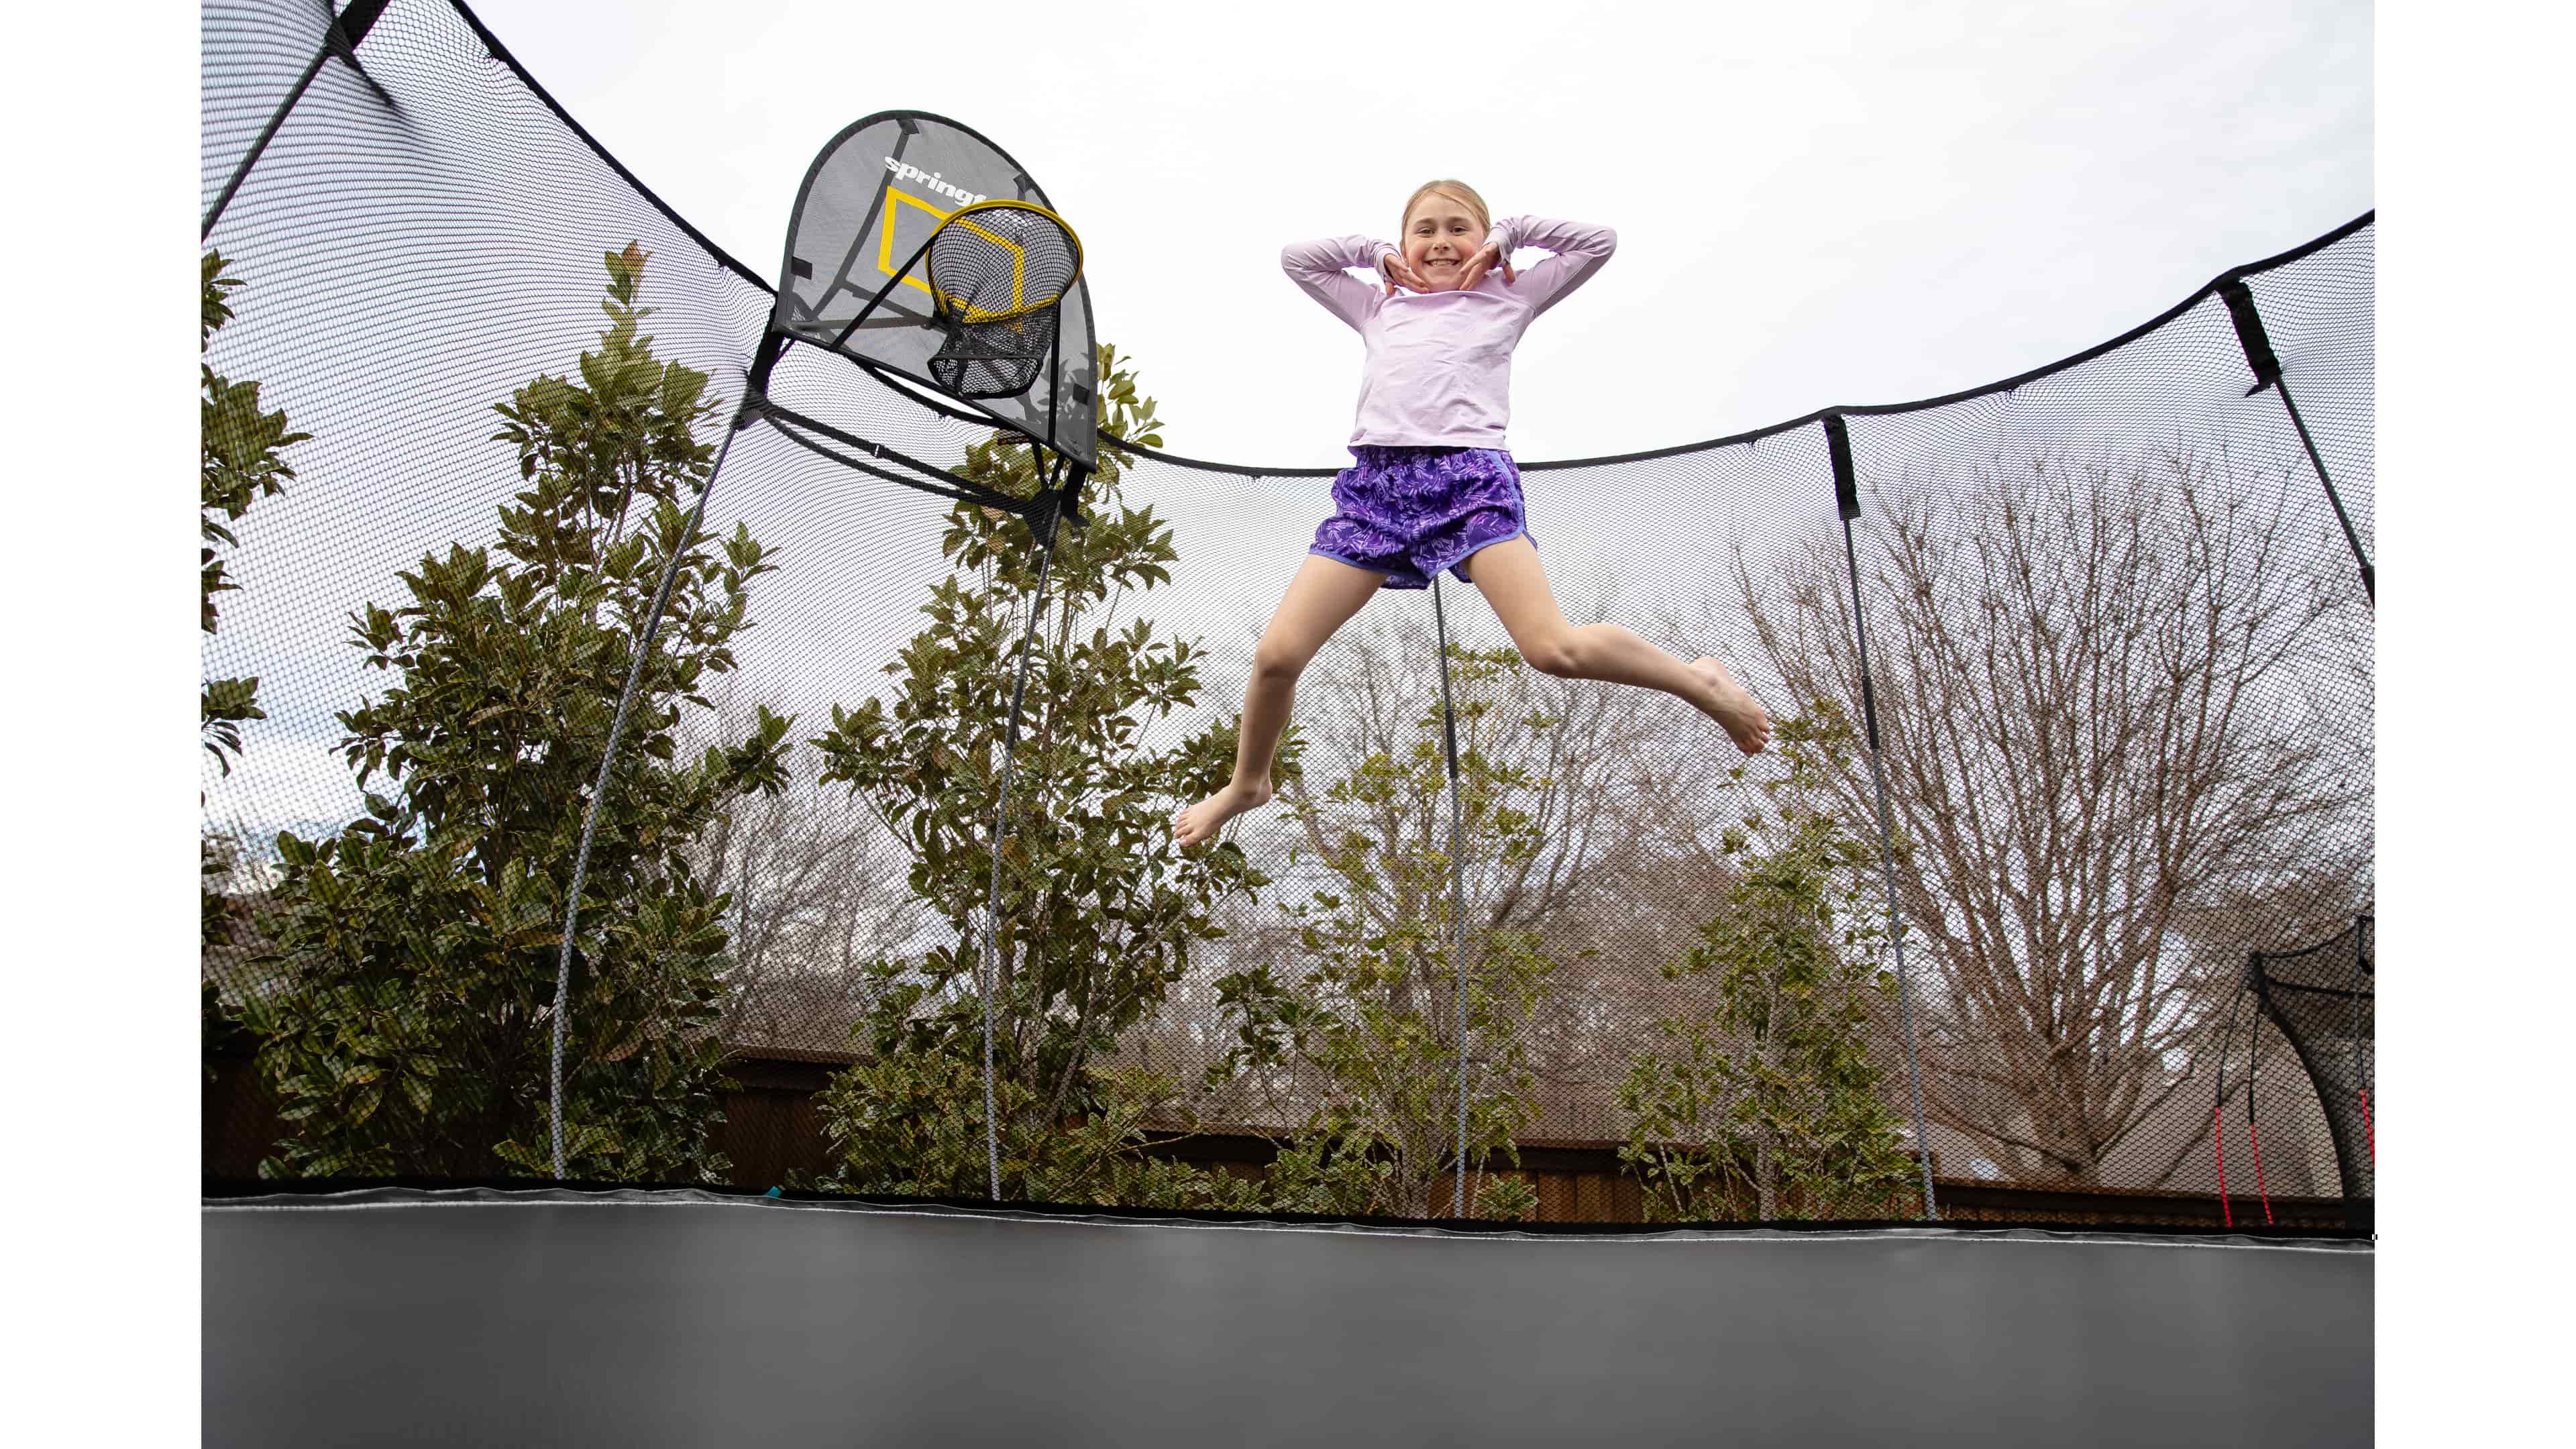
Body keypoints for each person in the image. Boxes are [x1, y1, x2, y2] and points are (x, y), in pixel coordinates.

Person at [1173, 180, 1772, 849]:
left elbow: (1597, 242)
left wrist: (1510, 235)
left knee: (1553, 650)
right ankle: (1248, 783)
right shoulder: (1378, 305)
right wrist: (1373, 251)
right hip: (1379, 490)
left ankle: (1700, 683)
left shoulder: (1508, 297)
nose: (1440, 242)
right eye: (1423, 230)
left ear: (1482, 241)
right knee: (1278, 655)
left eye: (1458, 228)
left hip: (1469, 485)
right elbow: (1298, 258)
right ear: (1402, 246)